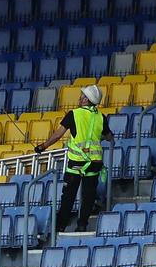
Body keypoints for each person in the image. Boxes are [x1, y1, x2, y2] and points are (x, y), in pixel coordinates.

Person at [33, 84, 114, 233]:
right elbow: (109, 137)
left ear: (86, 99)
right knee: (88, 196)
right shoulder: (101, 117)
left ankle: (60, 226)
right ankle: (82, 225)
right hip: (94, 163)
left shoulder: (73, 114)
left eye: (82, 96)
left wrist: (42, 147)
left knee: (68, 195)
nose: (80, 98)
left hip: (77, 162)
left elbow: (58, 135)